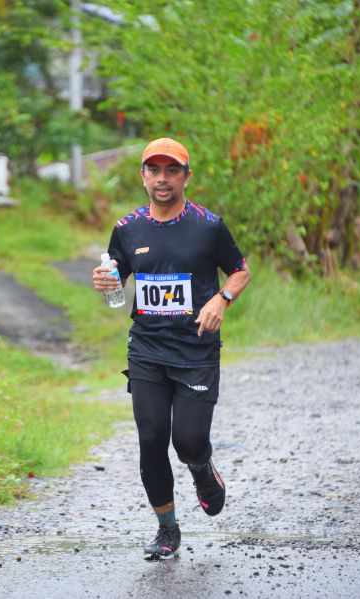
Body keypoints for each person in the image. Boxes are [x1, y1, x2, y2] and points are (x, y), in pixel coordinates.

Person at [93, 138, 250, 560]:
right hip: (147, 349)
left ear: (186, 176)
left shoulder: (208, 225)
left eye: (171, 170)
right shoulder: (127, 228)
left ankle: (202, 470)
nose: (162, 179)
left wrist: (221, 300)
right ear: (143, 176)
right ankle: (167, 529)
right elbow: (116, 276)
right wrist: (106, 281)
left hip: (196, 349)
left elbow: (240, 271)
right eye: (154, 170)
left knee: (189, 440)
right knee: (151, 439)